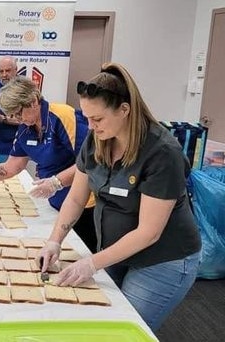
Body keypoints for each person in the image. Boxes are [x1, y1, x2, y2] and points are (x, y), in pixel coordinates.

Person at [38, 63, 201, 331]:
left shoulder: (161, 152)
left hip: (162, 260)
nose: (90, 127)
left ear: (124, 110)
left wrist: (90, 263)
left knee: (119, 330)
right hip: (117, 251)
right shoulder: (97, 140)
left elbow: (149, 232)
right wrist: (54, 241)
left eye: (98, 119)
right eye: (87, 118)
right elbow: (77, 199)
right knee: (96, 321)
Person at [0, 76, 97, 252]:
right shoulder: (25, 129)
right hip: (57, 202)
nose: (17, 119)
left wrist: (56, 182)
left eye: (19, 113)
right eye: (12, 115)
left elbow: (91, 160)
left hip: (84, 205)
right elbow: (11, 167)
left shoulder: (62, 116)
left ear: (33, 101)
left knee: (83, 254)